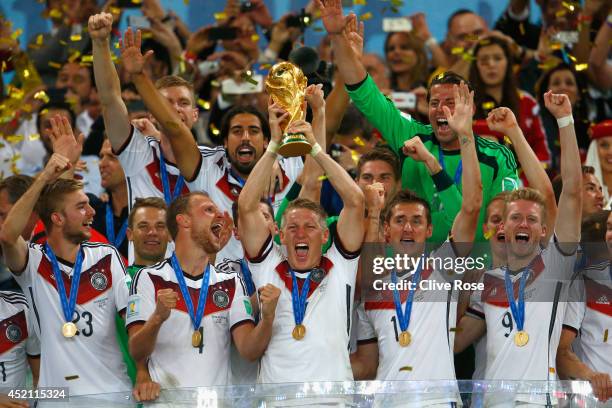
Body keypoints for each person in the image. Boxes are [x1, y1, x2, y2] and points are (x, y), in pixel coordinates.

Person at [317, 0, 518, 244]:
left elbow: (504, 224)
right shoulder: (413, 137)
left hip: (474, 269)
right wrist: (338, 38)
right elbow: (363, 91)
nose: (441, 109)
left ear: (471, 107)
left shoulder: (497, 155)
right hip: (410, 270)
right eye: (434, 103)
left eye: (451, 102)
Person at [116, 19, 303, 262]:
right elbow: (172, 127)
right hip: (174, 278)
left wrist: (273, 158)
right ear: (223, 142)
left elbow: (309, 171)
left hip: (244, 284)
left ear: (196, 114)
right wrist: (147, 72)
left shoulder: (218, 160)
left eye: (183, 104)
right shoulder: (198, 162)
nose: (245, 137)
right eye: (236, 131)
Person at [350, 82, 482, 407]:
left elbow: (472, 206)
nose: (408, 228)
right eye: (399, 221)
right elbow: (366, 364)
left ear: (429, 230)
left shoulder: (444, 269)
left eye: (417, 222)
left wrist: (465, 136)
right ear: (386, 231)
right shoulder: (373, 288)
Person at [455, 91, 582, 406]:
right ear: (502, 227)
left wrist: (564, 120)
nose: (522, 224)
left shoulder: (556, 264)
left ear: (542, 230)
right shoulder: (487, 283)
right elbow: (455, 342)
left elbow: (571, 193)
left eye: (531, 219)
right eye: (515, 218)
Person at [237, 96, 365, 383]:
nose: (300, 233)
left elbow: (356, 201)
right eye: (292, 227)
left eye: (309, 227)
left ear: (325, 235)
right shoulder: (267, 264)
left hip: (333, 404)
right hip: (276, 402)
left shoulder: (341, 263)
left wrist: (317, 150)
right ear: (280, 235)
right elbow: (245, 205)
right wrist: (273, 145)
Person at [0, 123, 132, 395]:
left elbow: (133, 322)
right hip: (57, 398)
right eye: (82, 207)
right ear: (57, 219)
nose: (91, 213)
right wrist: (46, 174)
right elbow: (8, 235)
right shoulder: (33, 263)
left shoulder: (106, 256)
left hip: (112, 396)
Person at [126, 192, 281, 387]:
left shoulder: (231, 282)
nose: (220, 216)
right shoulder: (149, 278)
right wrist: (157, 318)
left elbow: (249, 351)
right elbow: (136, 351)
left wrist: (267, 319)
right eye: (209, 210)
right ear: (184, 221)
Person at [557, 210, 612, 403]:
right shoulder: (585, 282)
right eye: (610, 228)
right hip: (595, 401)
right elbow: (561, 352)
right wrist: (593, 376)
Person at [469, 36, 551, 166]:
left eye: (497, 58)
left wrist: (521, 182)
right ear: (476, 66)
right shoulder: (465, 106)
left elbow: (544, 156)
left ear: (508, 63)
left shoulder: (527, 102)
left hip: (523, 182)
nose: (491, 64)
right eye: (484, 60)